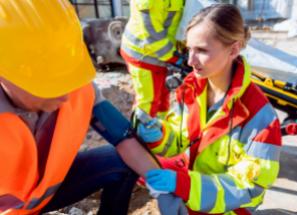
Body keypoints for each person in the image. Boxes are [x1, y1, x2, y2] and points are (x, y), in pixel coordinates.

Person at [0, 1, 183, 214]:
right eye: (50, 84)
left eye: (67, 77)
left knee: (120, 163)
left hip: (46, 195)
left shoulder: (79, 88)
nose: (66, 95)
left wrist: (162, 191)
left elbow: (125, 139)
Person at [137, 4, 282, 215]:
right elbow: (180, 141)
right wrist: (159, 134)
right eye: (189, 49)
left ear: (234, 49)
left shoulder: (260, 117)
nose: (190, 60)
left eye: (202, 50)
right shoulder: (190, 90)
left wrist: (185, 186)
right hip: (198, 187)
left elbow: (248, 187)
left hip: (232, 207)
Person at [120, 0, 185, 117]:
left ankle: (160, 128)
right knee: (148, 104)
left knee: (162, 99)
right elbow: (152, 32)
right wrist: (175, 58)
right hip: (145, 56)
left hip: (161, 53)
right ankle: (142, 133)